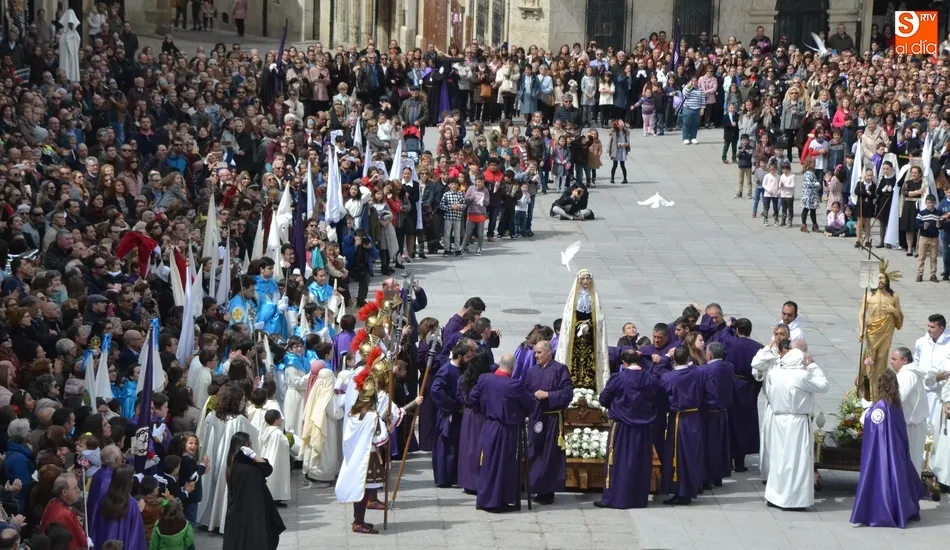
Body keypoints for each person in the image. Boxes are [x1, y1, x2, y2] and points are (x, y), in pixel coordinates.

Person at [335, 357, 422, 535]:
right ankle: (358, 522)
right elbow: (380, 438)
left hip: (356, 455)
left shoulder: (354, 411)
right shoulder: (371, 416)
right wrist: (389, 428)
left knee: (360, 489)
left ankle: (358, 519)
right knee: (363, 490)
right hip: (368, 455)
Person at [850, 369, 926, 527]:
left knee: (882, 482)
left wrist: (867, 409)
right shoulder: (895, 405)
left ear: (880, 385)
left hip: (881, 455)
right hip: (897, 454)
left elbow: (868, 422)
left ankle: (880, 513)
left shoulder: (880, 408)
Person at [763, 346, 829, 510]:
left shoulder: (776, 373)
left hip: (779, 419)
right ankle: (792, 499)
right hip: (796, 421)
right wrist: (812, 365)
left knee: (778, 459)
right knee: (795, 460)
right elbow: (823, 385)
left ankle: (774, 495)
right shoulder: (799, 376)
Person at [470, 353, 537, 512]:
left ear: (499, 363)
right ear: (513, 368)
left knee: (488, 463)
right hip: (505, 428)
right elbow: (529, 404)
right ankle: (495, 501)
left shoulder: (484, 379)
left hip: (489, 424)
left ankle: (484, 499)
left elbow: (473, 397)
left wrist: (485, 410)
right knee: (501, 464)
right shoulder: (514, 384)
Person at [594, 348, 659, 509]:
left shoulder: (619, 378)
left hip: (621, 427)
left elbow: (604, 398)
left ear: (624, 362)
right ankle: (637, 498)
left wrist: (615, 406)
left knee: (618, 461)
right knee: (639, 462)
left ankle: (615, 498)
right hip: (642, 427)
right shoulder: (650, 378)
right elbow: (655, 398)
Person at [197, 382, 258, 533]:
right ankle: (224, 521)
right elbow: (252, 439)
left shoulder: (212, 416)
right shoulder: (239, 420)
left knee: (213, 486)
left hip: (213, 458)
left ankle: (210, 519)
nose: (244, 403)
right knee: (226, 488)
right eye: (242, 400)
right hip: (230, 461)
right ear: (234, 401)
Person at [524, 340, 573, 505]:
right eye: (535, 353)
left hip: (551, 418)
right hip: (536, 418)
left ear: (548, 353)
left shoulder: (560, 369)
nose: (536, 355)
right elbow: (524, 390)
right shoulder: (531, 371)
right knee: (534, 451)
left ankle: (546, 491)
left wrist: (549, 395)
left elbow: (567, 393)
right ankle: (533, 486)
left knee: (549, 454)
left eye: (539, 353)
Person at [222, 432, 286, 550]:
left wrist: (253, 456)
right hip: (253, 511)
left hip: (245, 511)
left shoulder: (235, 465)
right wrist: (254, 457)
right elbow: (267, 470)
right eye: (248, 445)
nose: (250, 448)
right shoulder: (245, 468)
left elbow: (267, 470)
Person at [659, 346, 705, 506]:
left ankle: (681, 490)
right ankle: (690, 488)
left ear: (674, 359)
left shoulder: (669, 377)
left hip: (678, 419)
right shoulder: (698, 373)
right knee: (691, 454)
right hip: (694, 417)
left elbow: (661, 396)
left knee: (678, 455)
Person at [554, 269, 608, 392]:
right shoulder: (574, 298)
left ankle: (590, 385)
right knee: (574, 361)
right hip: (575, 337)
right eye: (582, 279)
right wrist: (578, 325)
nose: (585, 281)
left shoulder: (594, 298)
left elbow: (599, 318)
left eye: (587, 278)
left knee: (589, 361)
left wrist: (590, 324)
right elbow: (568, 319)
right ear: (578, 280)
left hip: (590, 338)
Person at [856, 270, 904, 401]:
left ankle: (877, 391)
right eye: (878, 278)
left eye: (882, 278)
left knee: (881, 361)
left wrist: (893, 311)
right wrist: (861, 330)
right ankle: (866, 391)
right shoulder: (868, 295)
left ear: (887, 280)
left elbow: (900, 315)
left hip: (886, 331)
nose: (880, 281)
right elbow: (861, 313)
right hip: (872, 331)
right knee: (869, 360)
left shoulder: (893, 296)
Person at [430, 341, 472, 488]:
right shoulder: (446, 370)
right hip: (448, 414)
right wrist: (453, 405)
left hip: (458, 413)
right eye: (467, 357)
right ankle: (444, 477)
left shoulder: (462, 369)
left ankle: (454, 475)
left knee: (455, 446)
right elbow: (436, 391)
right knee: (445, 445)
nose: (469, 360)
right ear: (459, 356)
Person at [725, 319, 763, 472]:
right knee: (744, 424)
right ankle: (740, 462)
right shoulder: (758, 348)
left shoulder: (729, 344)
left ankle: (727, 460)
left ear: (737, 330)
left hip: (731, 385)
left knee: (730, 422)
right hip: (748, 386)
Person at [457, 348, 492, 494]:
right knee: (480, 447)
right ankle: (480, 481)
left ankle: (468, 481)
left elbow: (460, 396)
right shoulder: (487, 379)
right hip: (482, 414)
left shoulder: (464, 378)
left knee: (469, 448)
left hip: (469, 415)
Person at [300, 363, 342, 486]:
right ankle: (321, 476)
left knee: (315, 451)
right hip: (327, 430)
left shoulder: (316, 392)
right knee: (325, 453)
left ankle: (312, 474)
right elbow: (335, 413)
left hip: (316, 429)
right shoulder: (328, 396)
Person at [89, 464, 146, 550]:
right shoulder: (132, 504)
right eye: (132, 478)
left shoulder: (103, 498)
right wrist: (139, 510)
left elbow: (96, 528)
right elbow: (136, 536)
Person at [700, 342, 733, 489]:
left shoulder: (706, 370)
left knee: (709, 446)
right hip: (723, 412)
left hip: (710, 413)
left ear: (709, 355)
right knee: (720, 445)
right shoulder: (729, 367)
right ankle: (718, 476)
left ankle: (707, 477)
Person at [891, 347, 928, 476]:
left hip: (912, 426)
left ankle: (909, 492)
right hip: (909, 424)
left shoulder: (907, 375)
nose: (891, 362)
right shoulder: (906, 374)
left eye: (894, 359)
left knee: (910, 460)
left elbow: (898, 398)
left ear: (904, 360)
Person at [39, 474, 87, 550]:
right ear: (64, 492)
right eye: (75, 488)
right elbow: (71, 542)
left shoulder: (53, 502)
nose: (78, 490)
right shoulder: (64, 514)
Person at [259, 409, 291, 505]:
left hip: (269, 457)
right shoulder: (278, 433)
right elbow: (285, 445)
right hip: (278, 460)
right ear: (276, 420)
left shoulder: (266, 431)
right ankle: (276, 497)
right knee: (277, 477)